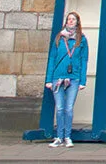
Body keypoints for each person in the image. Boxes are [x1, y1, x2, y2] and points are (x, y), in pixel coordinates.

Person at [44, 11, 89, 148]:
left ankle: (67, 136)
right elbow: (52, 58)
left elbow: (83, 60)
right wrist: (49, 79)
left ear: (77, 22)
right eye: (69, 19)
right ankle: (59, 136)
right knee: (60, 108)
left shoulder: (82, 39)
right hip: (58, 77)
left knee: (68, 108)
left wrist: (82, 81)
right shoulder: (59, 38)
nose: (70, 21)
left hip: (73, 78)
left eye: (73, 19)